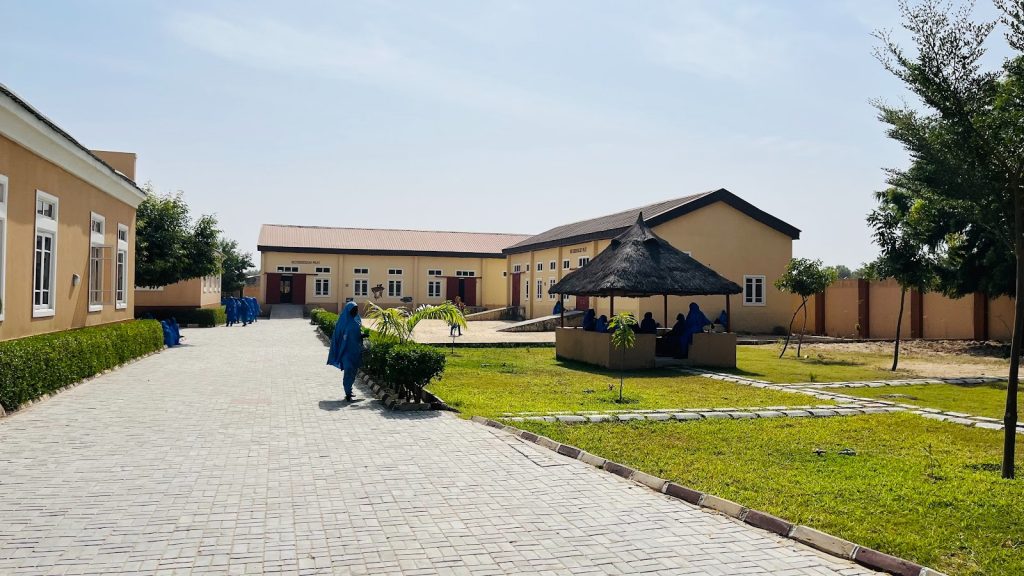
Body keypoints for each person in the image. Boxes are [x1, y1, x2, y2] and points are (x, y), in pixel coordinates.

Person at [327, 302, 363, 401]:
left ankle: (349, 389)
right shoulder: (342, 323)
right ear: (349, 311)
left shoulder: (357, 321)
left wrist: (362, 336)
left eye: (356, 309)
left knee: (353, 372)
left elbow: (357, 335)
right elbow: (337, 337)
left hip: (355, 351)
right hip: (346, 352)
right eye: (354, 310)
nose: (356, 311)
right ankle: (347, 392)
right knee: (348, 370)